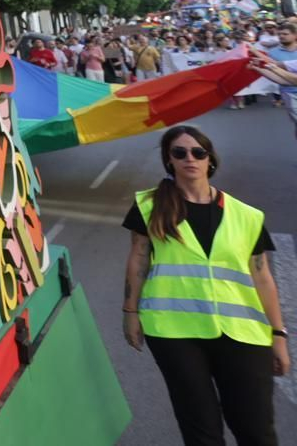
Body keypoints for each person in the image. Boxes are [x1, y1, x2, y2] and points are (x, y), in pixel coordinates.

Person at [121, 126, 287, 445]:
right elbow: (138, 259)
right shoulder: (149, 206)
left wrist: (278, 334)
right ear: (169, 161)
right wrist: (130, 311)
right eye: (179, 153)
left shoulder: (246, 215)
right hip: (174, 330)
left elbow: (262, 277)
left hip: (242, 331)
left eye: (198, 152)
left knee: (255, 426)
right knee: (201, 428)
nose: (190, 159)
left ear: (210, 160)